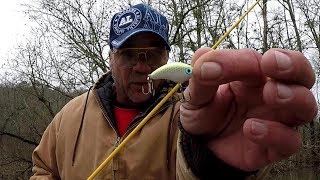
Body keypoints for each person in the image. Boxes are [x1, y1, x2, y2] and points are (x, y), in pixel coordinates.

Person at [30, 3, 317, 180]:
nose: (142, 67)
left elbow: (195, 171)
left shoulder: (192, 117)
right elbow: (44, 169)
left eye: (152, 54)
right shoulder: (70, 116)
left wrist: (213, 163)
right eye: (130, 55)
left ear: (167, 58)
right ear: (111, 57)